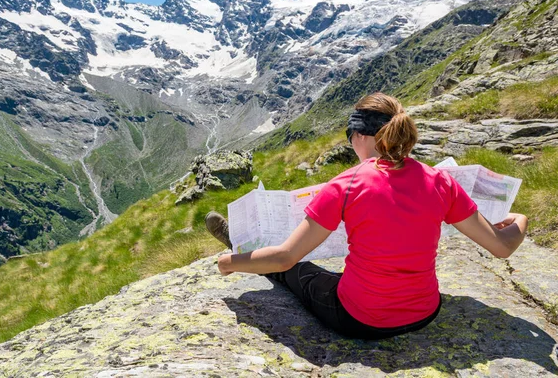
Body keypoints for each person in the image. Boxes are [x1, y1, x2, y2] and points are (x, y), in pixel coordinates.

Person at [205, 92, 528, 340]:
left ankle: (238, 248)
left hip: (360, 319)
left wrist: (226, 265)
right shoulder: (440, 181)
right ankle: (241, 245)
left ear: (358, 135)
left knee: (298, 269)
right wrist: (519, 219)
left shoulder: (346, 184)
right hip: (425, 312)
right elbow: (502, 248)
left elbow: (284, 258)